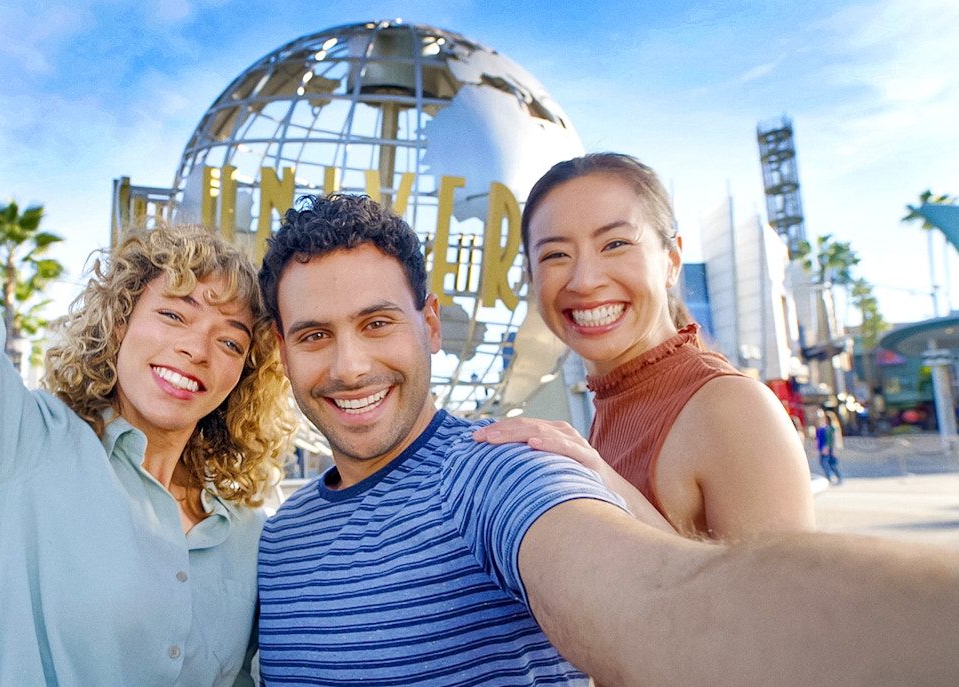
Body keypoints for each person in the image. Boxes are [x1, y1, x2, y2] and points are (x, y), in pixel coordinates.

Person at [255, 193, 959, 687]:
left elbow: (663, 600)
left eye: (378, 323)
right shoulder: (279, 539)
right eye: (315, 335)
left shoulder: (498, 469)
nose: (349, 365)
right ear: (282, 349)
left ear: (431, 325)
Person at [0, 2, 295, 684]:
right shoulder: (8, 444)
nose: (198, 348)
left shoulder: (244, 525)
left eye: (231, 339)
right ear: (120, 320)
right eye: (176, 314)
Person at [476, 152, 815, 540]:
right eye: (555, 255)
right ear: (531, 278)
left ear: (671, 261)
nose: (585, 280)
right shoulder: (606, 410)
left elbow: (781, 598)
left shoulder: (732, 408)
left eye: (615, 243)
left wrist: (608, 486)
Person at [816, 412, 843, 485]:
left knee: (831, 463)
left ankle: (836, 476)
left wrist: (834, 448)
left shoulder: (833, 428)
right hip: (828, 447)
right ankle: (831, 477)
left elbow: (834, 439)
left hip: (831, 448)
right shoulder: (827, 428)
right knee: (829, 463)